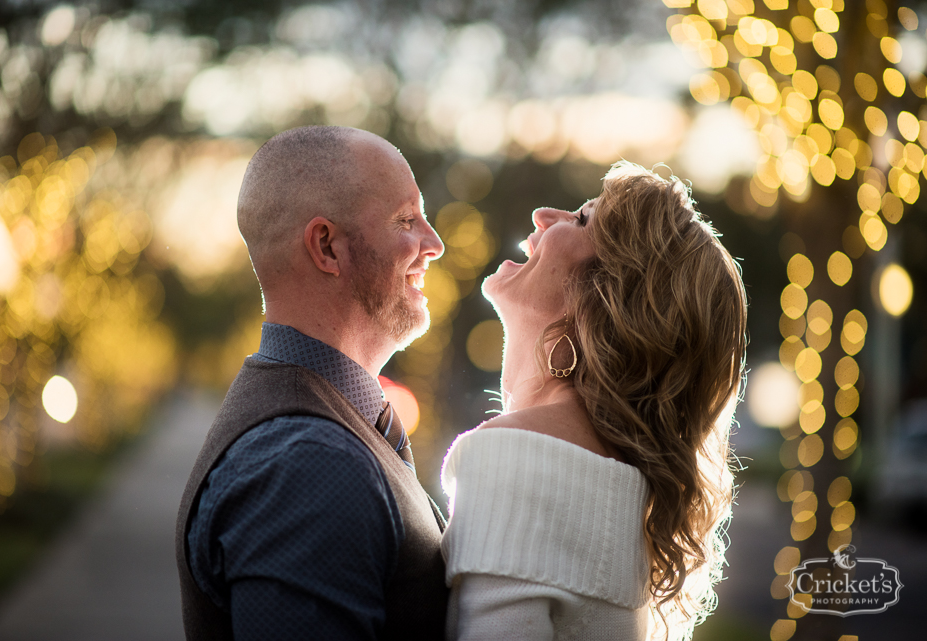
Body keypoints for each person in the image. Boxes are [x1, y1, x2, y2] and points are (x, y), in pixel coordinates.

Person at [440, 161, 747, 641]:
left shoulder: (515, 456)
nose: (544, 215)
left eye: (582, 220)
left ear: (604, 300)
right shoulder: (628, 483)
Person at [175, 126, 449, 641]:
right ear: (327, 246)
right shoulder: (308, 462)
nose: (434, 244)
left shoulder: (325, 427)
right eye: (407, 220)